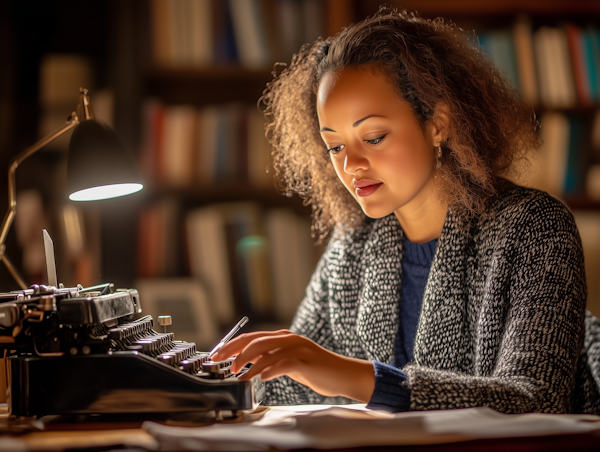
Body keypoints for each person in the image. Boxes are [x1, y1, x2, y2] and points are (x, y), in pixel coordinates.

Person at [214, 8, 600, 414]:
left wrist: (354, 377)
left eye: (374, 137)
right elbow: (287, 384)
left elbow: (535, 400)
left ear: (438, 124)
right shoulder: (353, 241)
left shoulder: (535, 228)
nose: (350, 165)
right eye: (335, 146)